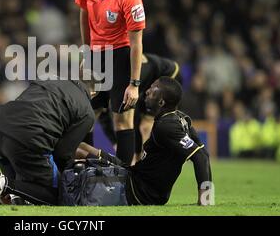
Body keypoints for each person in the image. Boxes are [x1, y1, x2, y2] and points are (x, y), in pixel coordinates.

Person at [77, 76, 213, 205]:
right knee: (83, 147)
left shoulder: (167, 127)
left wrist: (205, 201)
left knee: (79, 154)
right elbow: (204, 155)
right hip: (135, 176)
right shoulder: (181, 118)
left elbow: (200, 157)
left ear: (161, 102)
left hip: (137, 191)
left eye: (153, 90)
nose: (147, 91)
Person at [0, 78, 95, 206]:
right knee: (57, 195)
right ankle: (2, 184)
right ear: (93, 93)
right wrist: (66, 180)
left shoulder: (49, 81)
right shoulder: (86, 111)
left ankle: (3, 193)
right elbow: (63, 153)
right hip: (26, 137)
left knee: (23, 193)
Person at [75, 0, 146, 165]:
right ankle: (83, 169)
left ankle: (123, 177)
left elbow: (136, 43)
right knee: (86, 116)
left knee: (122, 119)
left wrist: (134, 84)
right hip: (96, 54)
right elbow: (84, 15)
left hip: (121, 53)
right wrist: (87, 53)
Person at [98, 53, 182, 164]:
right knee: (132, 122)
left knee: (145, 125)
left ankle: (148, 161)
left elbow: (133, 121)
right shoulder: (103, 86)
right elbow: (103, 117)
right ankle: (139, 160)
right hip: (145, 84)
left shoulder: (128, 79)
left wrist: (134, 154)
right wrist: (115, 143)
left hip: (168, 74)